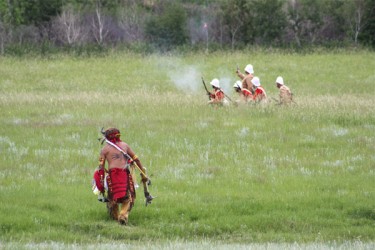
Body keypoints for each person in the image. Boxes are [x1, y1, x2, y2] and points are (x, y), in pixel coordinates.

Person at [95, 127, 153, 225]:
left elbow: (100, 167)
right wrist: (142, 172)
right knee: (129, 197)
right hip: (124, 174)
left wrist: (100, 181)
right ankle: (123, 215)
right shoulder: (125, 145)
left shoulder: (104, 149)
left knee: (112, 198)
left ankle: (117, 216)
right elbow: (136, 160)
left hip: (112, 175)